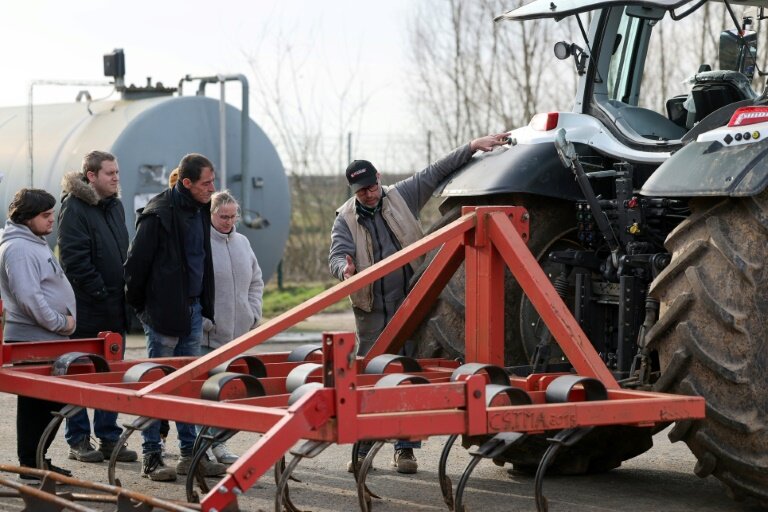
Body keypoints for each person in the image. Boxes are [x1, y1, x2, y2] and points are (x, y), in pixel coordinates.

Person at [329, 133, 508, 474]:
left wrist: (472, 147)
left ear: (378, 179)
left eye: (371, 186)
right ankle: (363, 447)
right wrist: (345, 268)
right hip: (371, 311)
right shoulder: (345, 219)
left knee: (408, 374)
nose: (368, 194)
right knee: (371, 377)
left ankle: (405, 450)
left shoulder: (402, 196)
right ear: (353, 192)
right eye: (361, 191)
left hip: (410, 302)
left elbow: (436, 171)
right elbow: (337, 254)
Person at [124, 153, 225, 482]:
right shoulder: (158, 214)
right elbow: (135, 268)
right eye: (207, 182)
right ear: (187, 183)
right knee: (157, 386)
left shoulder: (199, 211)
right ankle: (152, 456)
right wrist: (146, 311)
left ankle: (188, 454)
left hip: (192, 311)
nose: (213, 187)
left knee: (186, 385)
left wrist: (202, 305)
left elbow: (201, 261)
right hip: (162, 316)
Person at [58, 151, 138, 465]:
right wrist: (100, 292)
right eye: (110, 173)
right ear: (91, 176)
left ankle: (108, 436)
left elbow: (122, 253)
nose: (116, 178)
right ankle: (78, 439)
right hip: (87, 308)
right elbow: (74, 259)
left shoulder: (115, 207)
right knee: (80, 373)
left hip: (114, 307)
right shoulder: (74, 207)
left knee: (110, 374)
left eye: (117, 172)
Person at [0, 188, 76, 480]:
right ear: (27, 217)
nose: (52, 220)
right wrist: (60, 322)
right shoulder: (19, 248)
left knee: (48, 402)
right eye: (45, 215)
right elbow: (28, 297)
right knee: (36, 404)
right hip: (34, 338)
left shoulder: (33, 242)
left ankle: (36, 460)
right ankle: (31, 465)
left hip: (45, 337)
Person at [200, 190, 264, 464]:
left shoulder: (243, 242)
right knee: (206, 396)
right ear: (211, 214)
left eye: (232, 216)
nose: (228, 221)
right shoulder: (201, 243)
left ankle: (220, 443)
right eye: (222, 216)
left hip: (239, 336)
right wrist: (204, 322)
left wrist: (254, 313)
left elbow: (256, 281)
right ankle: (200, 447)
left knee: (235, 394)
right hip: (208, 337)